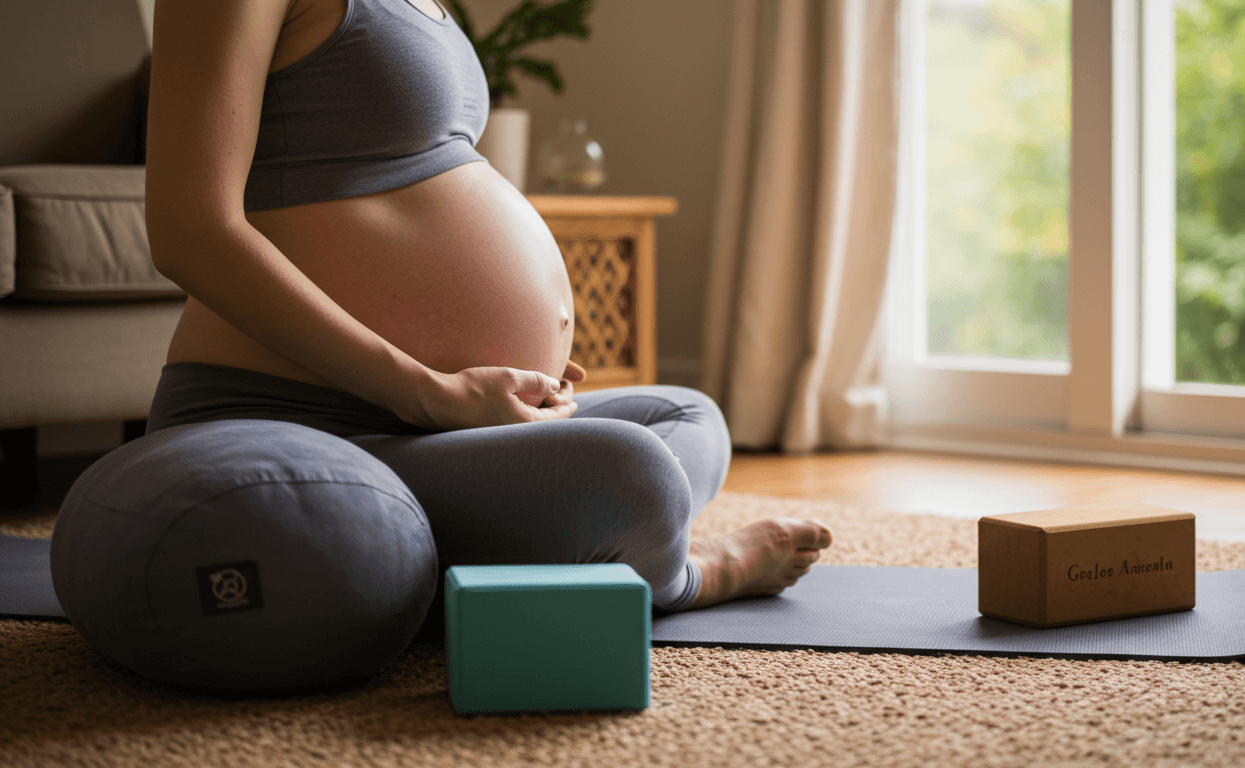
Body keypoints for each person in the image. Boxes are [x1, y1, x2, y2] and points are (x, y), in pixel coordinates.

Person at [141, 0, 832, 612]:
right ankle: (689, 575)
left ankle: (539, 551)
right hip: (300, 418)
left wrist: (503, 364)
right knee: (634, 473)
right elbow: (191, 232)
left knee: (688, 416)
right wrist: (427, 391)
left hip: (434, 422)